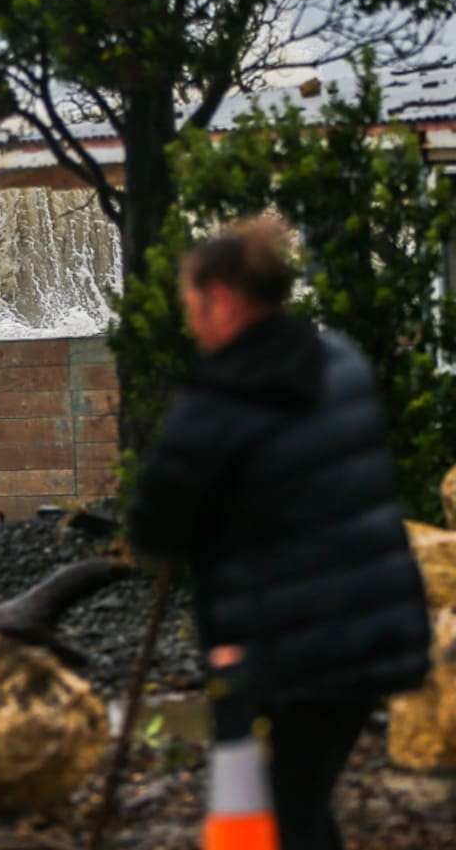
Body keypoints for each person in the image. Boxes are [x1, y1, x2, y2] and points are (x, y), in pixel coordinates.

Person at [127, 214, 431, 850]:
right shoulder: (340, 361)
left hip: (287, 652)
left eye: (193, 305)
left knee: (285, 812)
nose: (191, 322)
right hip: (373, 630)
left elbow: (153, 529)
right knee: (302, 799)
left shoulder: (215, 405)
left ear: (224, 300)